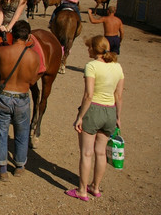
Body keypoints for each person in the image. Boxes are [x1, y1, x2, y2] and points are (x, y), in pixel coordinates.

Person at [65, 35, 124, 201]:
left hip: (93, 111)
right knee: (100, 153)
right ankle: (95, 187)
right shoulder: (117, 67)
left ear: (94, 49)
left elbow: (88, 95)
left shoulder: (91, 66)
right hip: (110, 111)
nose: (88, 50)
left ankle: (82, 190)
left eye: (89, 47)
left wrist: (80, 117)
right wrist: (118, 117)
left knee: (86, 153)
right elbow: (118, 95)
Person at [0, 20, 39, 181]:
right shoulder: (34, 56)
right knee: (22, 132)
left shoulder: (2, 52)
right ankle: (19, 166)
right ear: (29, 36)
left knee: (1, 132)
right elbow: (32, 81)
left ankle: (2, 169)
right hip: (22, 97)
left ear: (13, 35)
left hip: (4, 96)